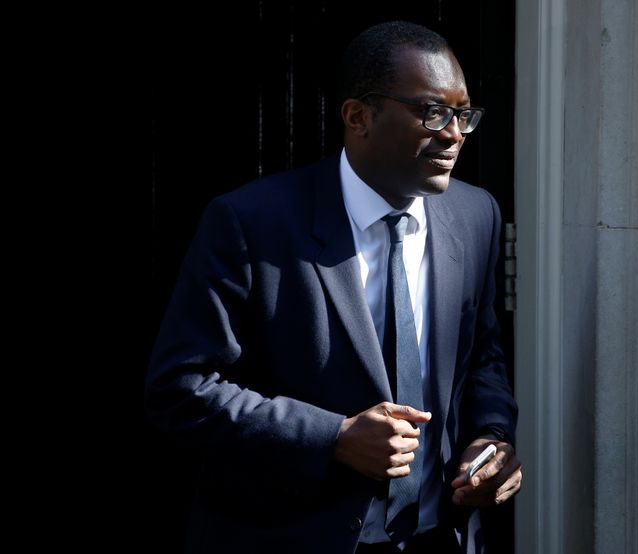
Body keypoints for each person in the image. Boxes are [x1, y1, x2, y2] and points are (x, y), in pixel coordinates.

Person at [146, 20, 521, 554]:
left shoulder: (475, 214)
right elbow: (179, 389)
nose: (454, 133)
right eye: (432, 112)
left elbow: (480, 355)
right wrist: (334, 437)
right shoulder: (252, 222)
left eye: (463, 115)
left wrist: (492, 438)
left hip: (441, 537)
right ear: (358, 116)